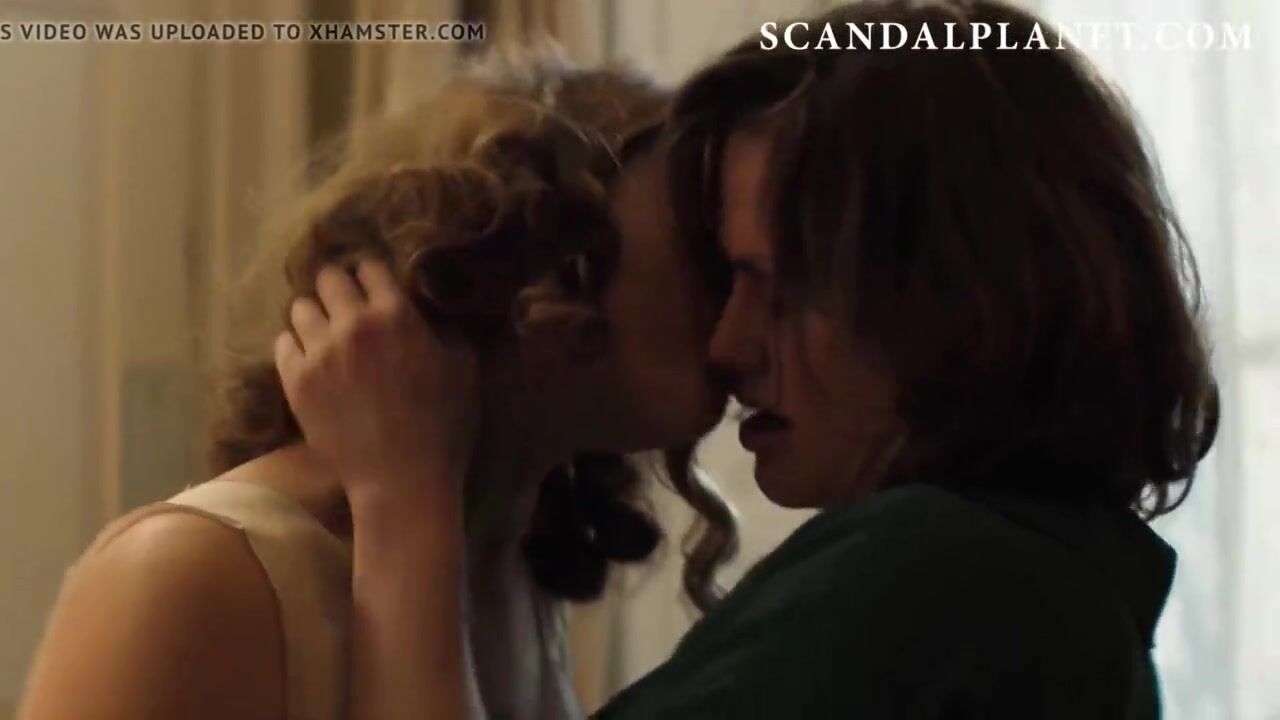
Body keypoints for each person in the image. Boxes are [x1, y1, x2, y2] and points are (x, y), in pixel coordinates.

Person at [280, 1, 1221, 718]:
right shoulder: (1064, 578)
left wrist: (403, 500)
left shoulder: (931, 573)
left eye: (777, 285)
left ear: (953, 294)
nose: (726, 346)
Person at [18, 54, 738, 720]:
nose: (745, 295)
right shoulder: (187, 576)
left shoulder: (508, 563)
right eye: (707, 253)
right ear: (540, 277)